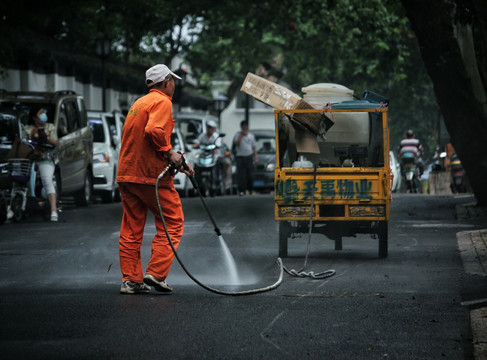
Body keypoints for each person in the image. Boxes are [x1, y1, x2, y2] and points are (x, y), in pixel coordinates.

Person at [117, 64, 194, 295]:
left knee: (131, 228)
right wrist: (170, 152)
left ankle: (131, 280)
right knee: (173, 221)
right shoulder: (162, 101)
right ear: (165, 82)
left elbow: (145, 140)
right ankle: (156, 273)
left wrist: (174, 160)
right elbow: (154, 131)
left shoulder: (138, 103)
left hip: (127, 174)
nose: (175, 84)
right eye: (173, 80)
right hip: (150, 177)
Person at [8, 106, 59, 222]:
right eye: (40, 113)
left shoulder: (50, 127)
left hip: (45, 158)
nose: (43, 114)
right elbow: (24, 144)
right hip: (29, 158)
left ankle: (53, 210)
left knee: (47, 180)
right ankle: (11, 208)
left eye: (43, 112)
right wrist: (32, 135)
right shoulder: (27, 128)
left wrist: (46, 138)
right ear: (34, 117)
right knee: (19, 179)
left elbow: (56, 143)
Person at [233, 120, 257, 196]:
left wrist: (256, 157)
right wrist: (241, 135)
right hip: (240, 157)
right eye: (243, 126)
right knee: (241, 175)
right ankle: (242, 190)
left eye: (246, 126)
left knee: (250, 174)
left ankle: (250, 189)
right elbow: (236, 144)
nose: (245, 127)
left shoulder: (251, 136)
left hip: (249, 157)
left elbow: (254, 147)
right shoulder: (237, 135)